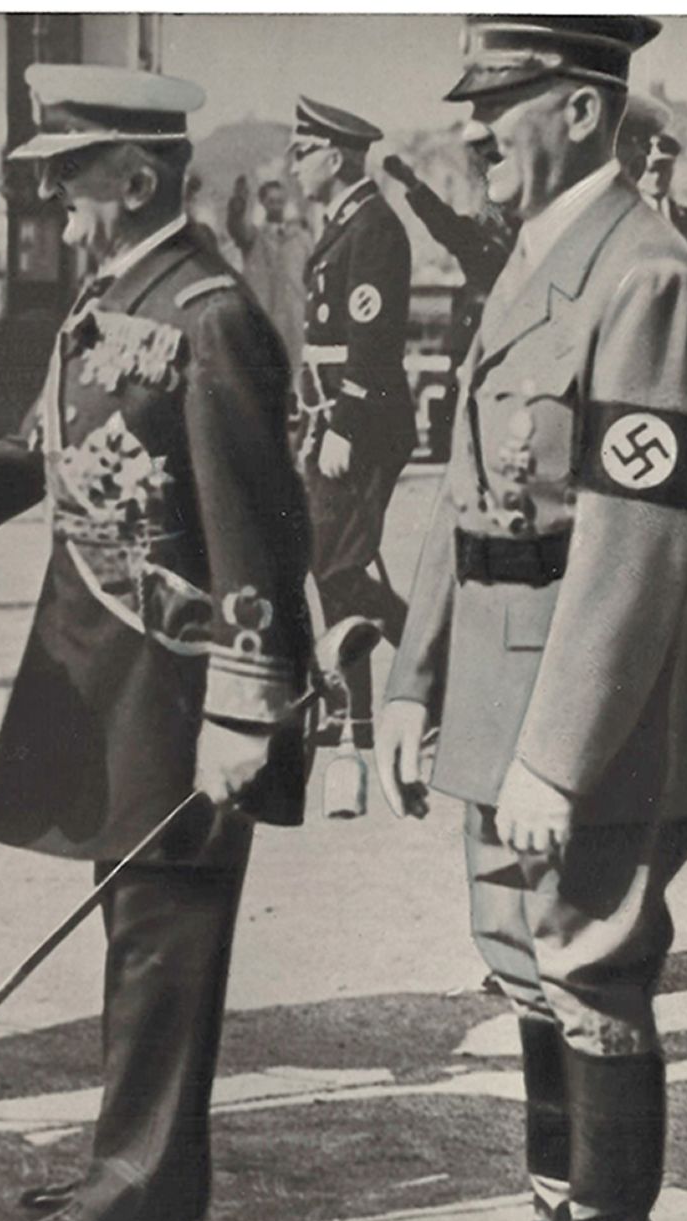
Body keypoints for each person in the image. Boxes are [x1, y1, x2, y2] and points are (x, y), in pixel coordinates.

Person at [0, 62, 312, 1221]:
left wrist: (248, 709)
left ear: (138, 176)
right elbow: (39, 450)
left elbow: (258, 524)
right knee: (133, 913)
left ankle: (144, 1175)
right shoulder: (112, 301)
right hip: (107, 666)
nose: (56, 208)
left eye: (71, 183)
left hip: (180, 671)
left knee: (167, 923)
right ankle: (133, 1159)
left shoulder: (209, 314)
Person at [376, 16, 687, 1221]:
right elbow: (465, 500)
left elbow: (638, 545)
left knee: (590, 970)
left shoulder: (648, 279)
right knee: (527, 969)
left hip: (596, 703)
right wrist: (415, 679)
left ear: (580, 109)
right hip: (493, 681)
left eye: (501, 99)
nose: (472, 130)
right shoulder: (534, 262)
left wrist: (556, 750)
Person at [287, 95, 415, 819]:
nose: (295, 165)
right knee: (334, 569)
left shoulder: (373, 229)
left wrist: (343, 422)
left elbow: (374, 338)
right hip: (329, 415)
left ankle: (437, 659)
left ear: (332, 157)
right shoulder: (345, 224)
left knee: (338, 567)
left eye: (302, 152)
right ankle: (353, 726)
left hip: (358, 423)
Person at [382, 151, 519, 379]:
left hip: (509, 334)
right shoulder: (478, 235)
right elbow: (445, 223)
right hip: (472, 335)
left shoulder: (525, 233)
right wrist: (412, 183)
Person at [226, 175, 312, 364]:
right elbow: (236, 228)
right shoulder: (254, 238)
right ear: (262, 203)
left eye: (280, 201)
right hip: (266, 317)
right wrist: (238, 204)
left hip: (297, 317)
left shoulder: (301, 238)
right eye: (271, 201)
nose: (276, 206)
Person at [633, 132, 687, 260]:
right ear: (639, 169)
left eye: (664, 168)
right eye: (651, 170)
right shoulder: (629, 219)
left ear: (672, 170)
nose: (658, 176)